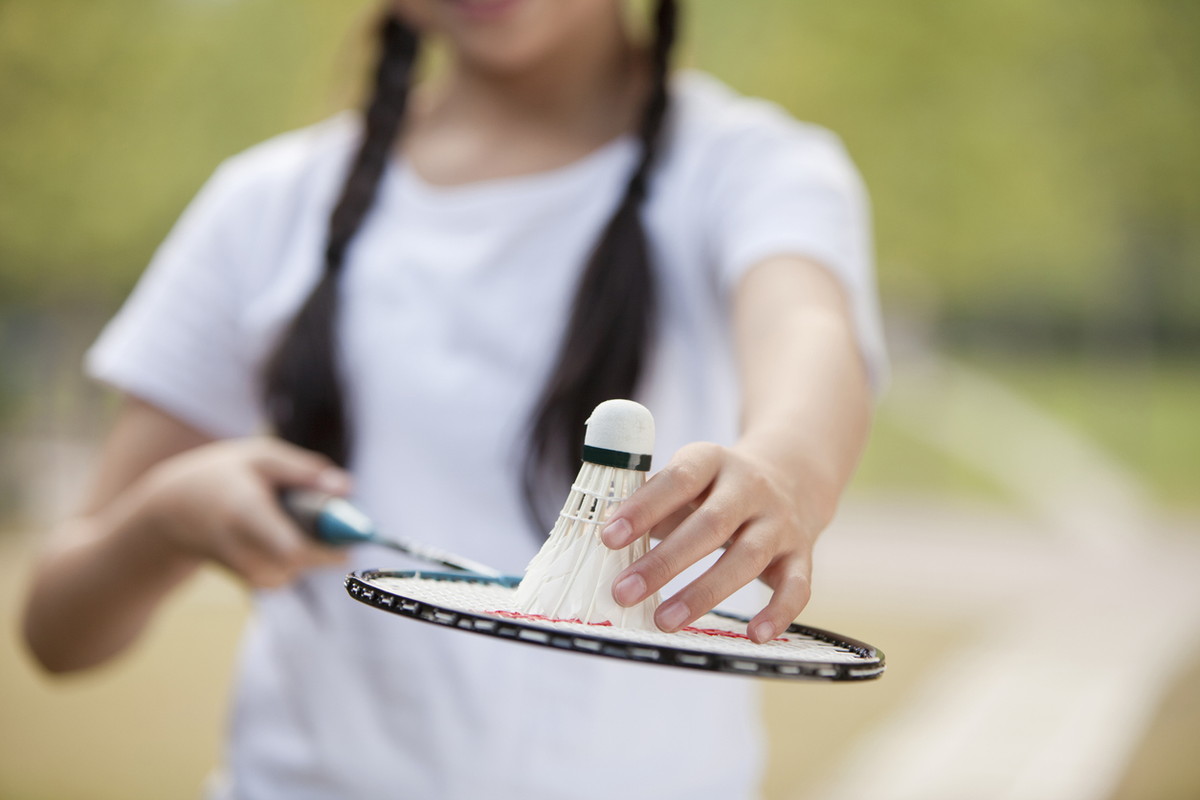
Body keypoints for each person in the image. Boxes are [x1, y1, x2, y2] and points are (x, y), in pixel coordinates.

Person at [22, 0, 886, 797]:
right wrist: (163, 524)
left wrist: (789, 468)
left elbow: (808, 328)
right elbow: (56, 631)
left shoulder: (752, 169)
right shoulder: (267, 204)